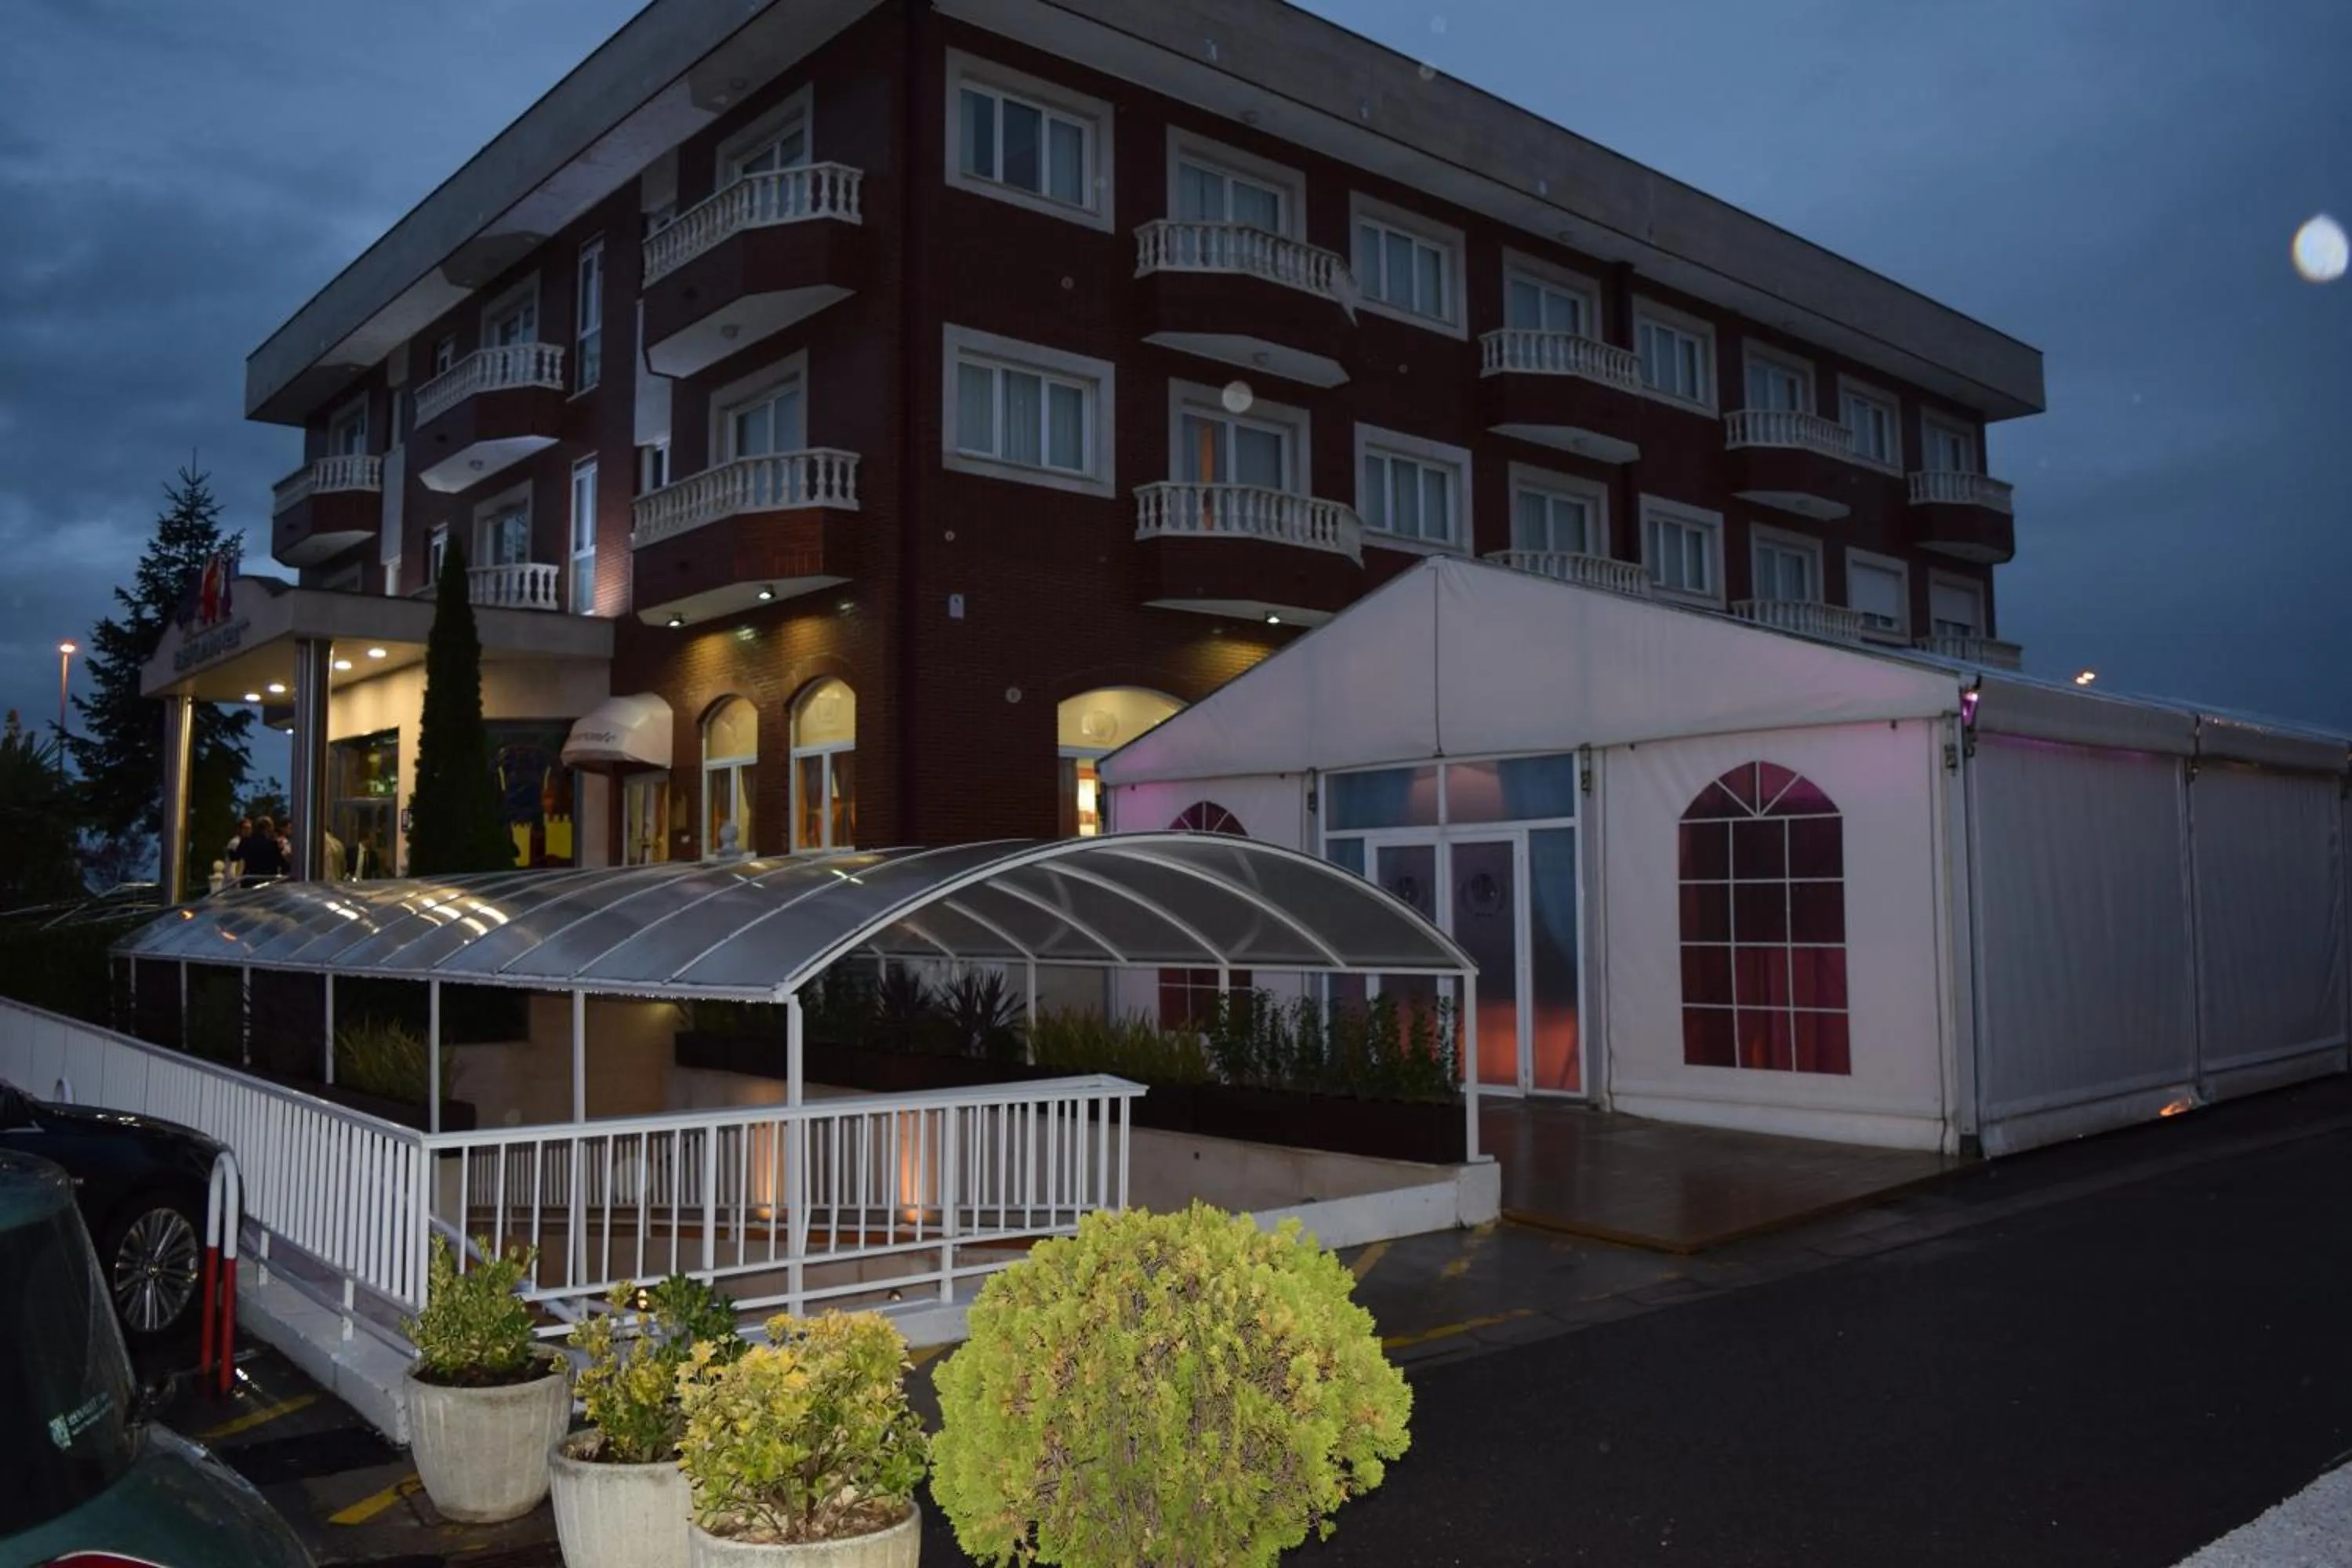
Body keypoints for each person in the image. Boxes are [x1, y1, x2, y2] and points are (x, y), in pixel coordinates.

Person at [238, 816, 287, 880]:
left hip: (250, 880)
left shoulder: (246, 841)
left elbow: (236, 856)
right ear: (268, 828)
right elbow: (282, 863)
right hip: (268, 881)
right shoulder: (273, 845)